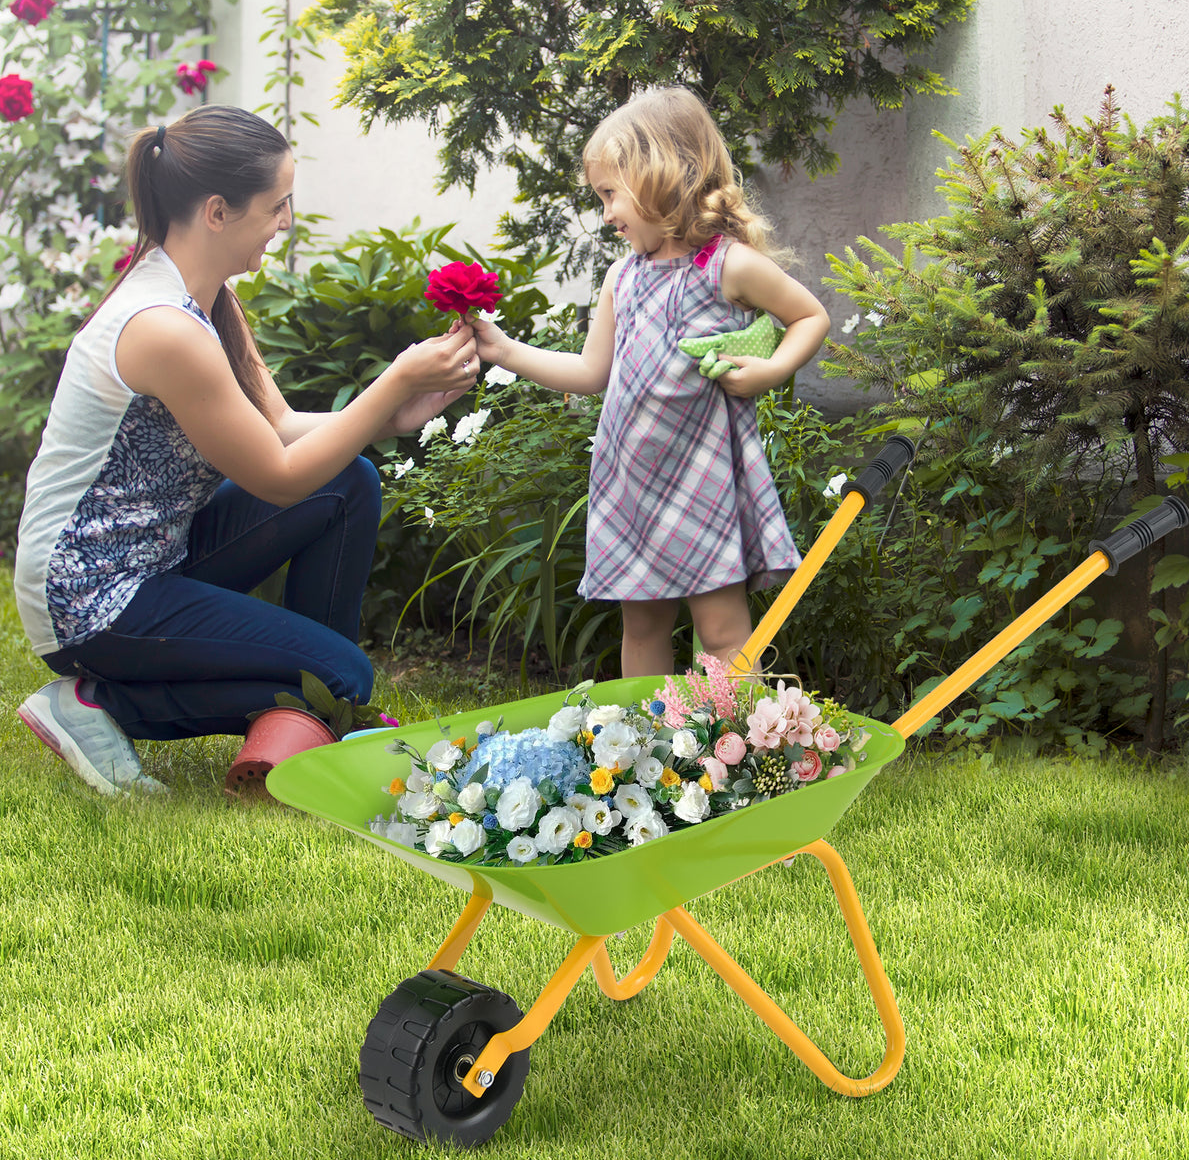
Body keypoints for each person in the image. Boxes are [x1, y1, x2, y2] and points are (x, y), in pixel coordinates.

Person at [14, 105, 478, 796]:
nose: (287, 220)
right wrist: (393, 381)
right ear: (216, 212)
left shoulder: (207, 304)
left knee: (346, 480)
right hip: (92, 597)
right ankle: (94, 705)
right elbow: (279, 476)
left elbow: (280, 429)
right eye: (278, 205)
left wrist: (390, 416)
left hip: (155, 558)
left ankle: (314, 718)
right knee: (341, 673)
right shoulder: (161, 328)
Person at [472, 87, 831, 677]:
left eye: (612, 193)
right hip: (632, 481)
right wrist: (505, 350)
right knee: (641, 628)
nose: (607, 212)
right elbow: (591, 373)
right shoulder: (623, 276)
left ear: (663, 174)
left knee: (720, 630)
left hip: (703, 478)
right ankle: (650, 757)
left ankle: (737, 754)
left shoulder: (728, 265)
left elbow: (809, 316)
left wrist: (770, 370)